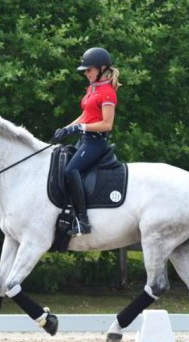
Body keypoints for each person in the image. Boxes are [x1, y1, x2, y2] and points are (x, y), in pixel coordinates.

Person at [53, 47, 121, 236]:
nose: (86, 73)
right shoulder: (92, 88)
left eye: (89, 70)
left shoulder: (107, 92)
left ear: (101, 68)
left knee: (70, 170)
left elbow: (107, 124)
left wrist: (79, 128)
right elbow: (85, 115)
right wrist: (67, 128)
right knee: (60, 166)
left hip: (95, 142)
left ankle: (83, 220)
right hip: (84, 140)